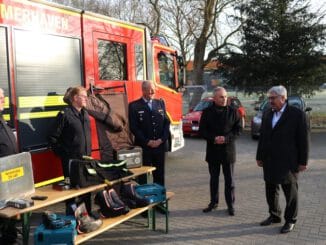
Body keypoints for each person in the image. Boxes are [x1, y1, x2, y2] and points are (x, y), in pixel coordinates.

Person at [256, 85, 309, 233]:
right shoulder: (267, 113)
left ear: (283, 98)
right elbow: (263, 138)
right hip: (269, 160)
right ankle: (274, 215)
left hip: (288, 162)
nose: (270, 101)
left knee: (290, 192)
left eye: (273, 98)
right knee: (271, 189)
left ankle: (290, 220)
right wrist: (259, 156)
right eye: (269, 98)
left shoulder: (297, 114)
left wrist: (303, 161)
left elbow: (303, 140)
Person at [49, 86, 92, 215]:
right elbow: (52, 137)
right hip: (71, 162)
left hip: (86, 159)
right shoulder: (64, 115)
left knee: (86, 188)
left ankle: (87, 214)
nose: (86, 99)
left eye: (86, 96)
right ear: (75, 98)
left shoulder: (85, 113)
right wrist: (64, 154)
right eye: (83, 96)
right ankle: (71, 216)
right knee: (72, 191)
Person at [199, 86, 241, 215]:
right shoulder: (207, 112)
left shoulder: (233, 111)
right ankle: (213, 203)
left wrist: (226, 138)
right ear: (214, 98)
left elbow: (238, 130)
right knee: (214, 179)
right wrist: (213, 138)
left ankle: (230, 205)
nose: (224, 99)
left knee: (230, 180)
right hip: (213, 151)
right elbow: (202, 130)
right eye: (221, 97)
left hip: (228, 151)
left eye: (225, 97)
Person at [128, 81, 170, 186]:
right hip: (144, 148)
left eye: (153, 89)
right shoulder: (134, 106)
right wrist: (147, 141)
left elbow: (166, 123)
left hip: (160, 148)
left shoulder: (160, 103)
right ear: (143, 90)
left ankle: (160, 199)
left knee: (159, 176)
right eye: (149, 89)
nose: (152, 91)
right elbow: (134, 127)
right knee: (143, 177)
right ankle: (144, 199)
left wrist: (161, 140)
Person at [0, 88, 19, 244]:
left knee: (10, 213)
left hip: (9, 175)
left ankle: (9, 235)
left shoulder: (2, 119)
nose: (3, 99)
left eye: (3, 96)